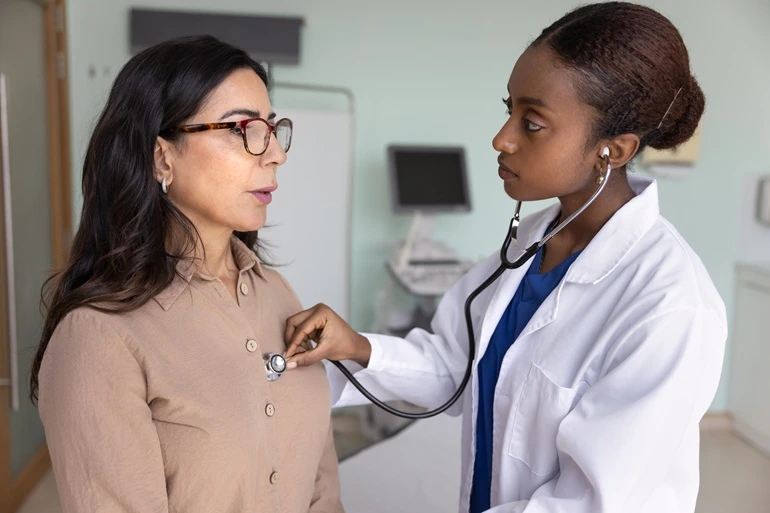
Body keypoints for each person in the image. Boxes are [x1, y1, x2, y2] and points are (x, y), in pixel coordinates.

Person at [283, 3, 726, 512]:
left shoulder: (671, 308)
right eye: (508, 108)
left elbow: (588, 504)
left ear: (614, 150)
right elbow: (456, 365)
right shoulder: (533, 241)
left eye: (531, 122)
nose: (501, 138)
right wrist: (356, 347)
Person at [31, 35, 343, 513]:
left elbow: (321, 482)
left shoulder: (277, 292)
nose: (275, 154)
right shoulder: (98, 337)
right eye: (242, 128)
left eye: (271, 127)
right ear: (162, 156)